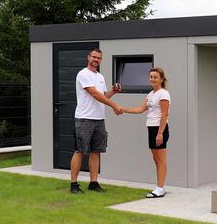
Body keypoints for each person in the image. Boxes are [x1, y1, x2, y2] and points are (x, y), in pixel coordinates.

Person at [70, 48, 123, 194]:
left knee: (96, 151)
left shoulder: (100, 76)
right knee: (80, 151)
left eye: (99, 58)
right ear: (88, 57)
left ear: (101, 60)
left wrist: (113, 92)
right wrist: (114, 106)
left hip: (99, 119)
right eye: (94, 57)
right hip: (84, 119)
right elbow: (94, 94)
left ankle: (93, 183)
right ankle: (74, 184)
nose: (96, 60)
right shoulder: (83, 74)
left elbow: (103, 95)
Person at [121, 67, 170, 198]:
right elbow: (140, 109)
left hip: (159, 129)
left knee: (161, 160)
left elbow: (164, 115)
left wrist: (160, 133)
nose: (152, 79)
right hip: (151, 128)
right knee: (156, 159)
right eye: (151, 77)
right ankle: (160, 187)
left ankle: (160, 189)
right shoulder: (150, 94)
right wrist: (122, 109)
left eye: (155, 77)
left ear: (161, 79)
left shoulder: (163, 94)